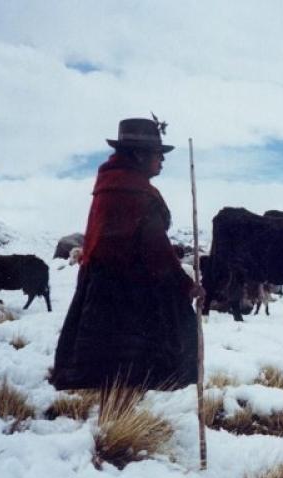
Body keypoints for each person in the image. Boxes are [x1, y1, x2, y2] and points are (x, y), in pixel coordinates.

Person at [51, 117, 200, 391]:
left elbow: (124, 237)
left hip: (99, 284)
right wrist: (186, 285)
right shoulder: (136, 192)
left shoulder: (108, 185)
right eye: (158, 155)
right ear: (139, 155)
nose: (162, 162)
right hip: (131, 288)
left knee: (100, 355)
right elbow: (154, 252)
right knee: (174, 339)